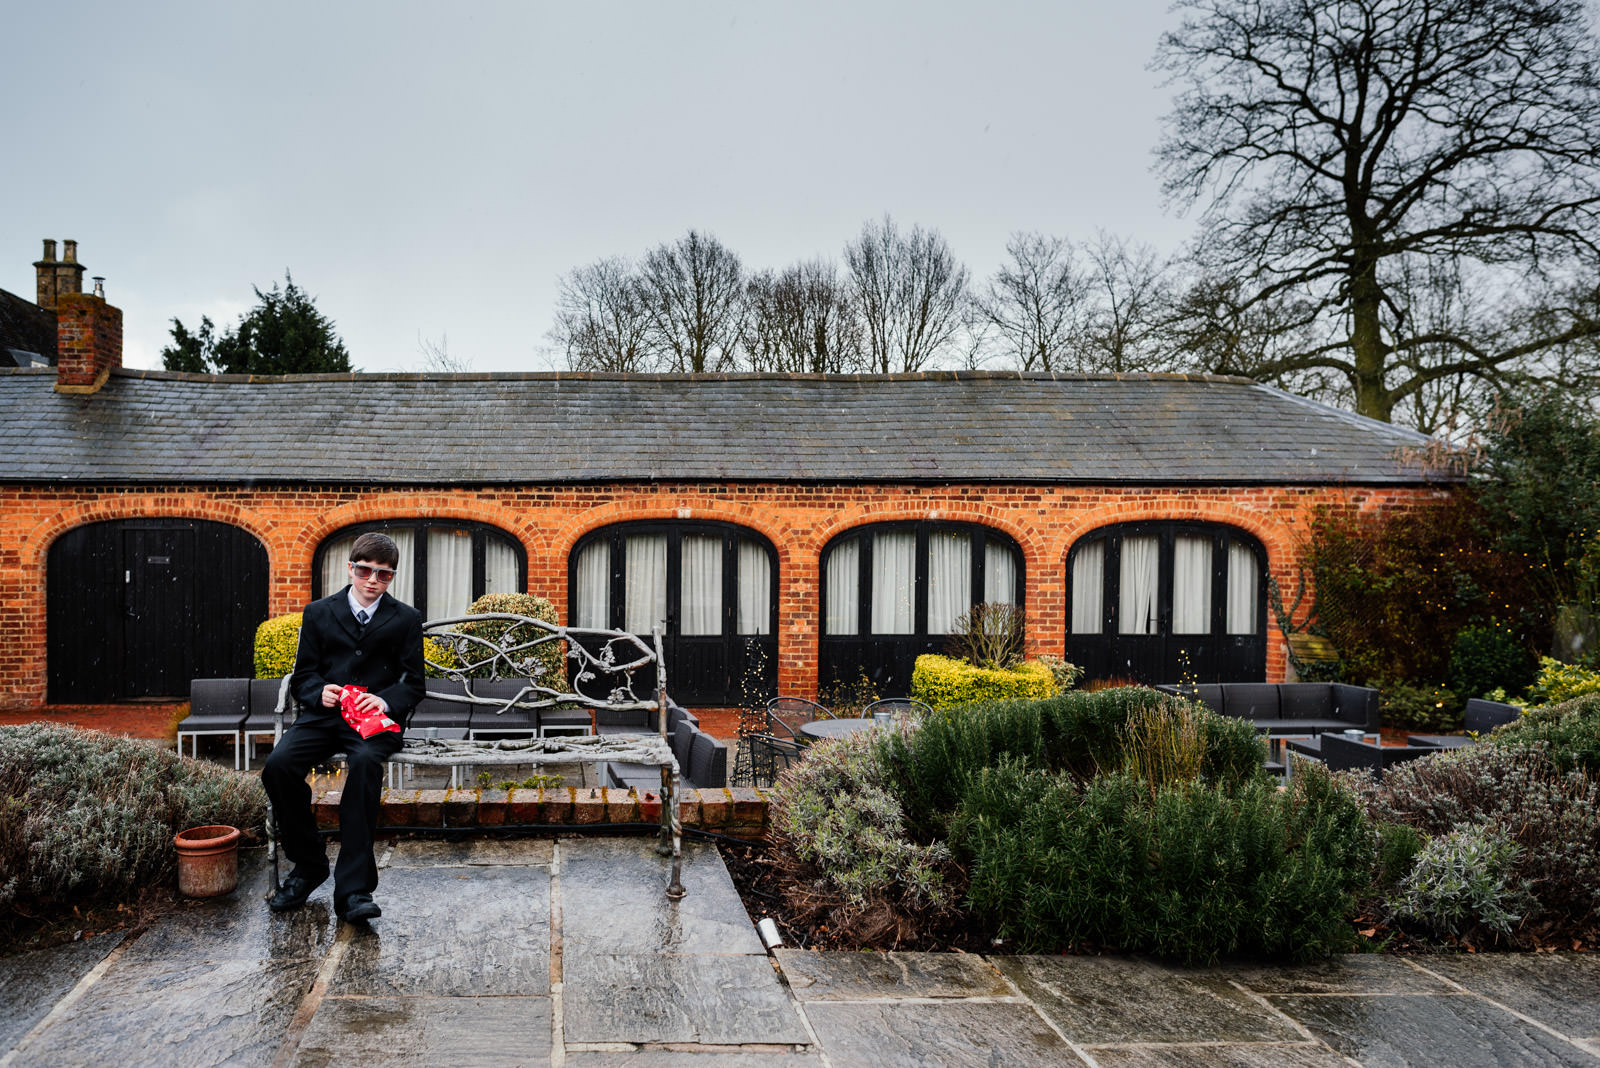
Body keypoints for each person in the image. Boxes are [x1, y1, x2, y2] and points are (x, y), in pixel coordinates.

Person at [263, 532, 424, 922]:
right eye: (366, 570)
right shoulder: (319, 612)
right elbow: (303, 677)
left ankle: (353, 891)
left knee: (366, 766)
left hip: (373, 723)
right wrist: (321, 692)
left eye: (384, 575)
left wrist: (384, 699)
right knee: (278, 767)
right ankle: (309, 864)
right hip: (323, 717)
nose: (373, 580)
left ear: (391, 577)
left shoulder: (405, 618)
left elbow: (413, 683)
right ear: (350, 568)